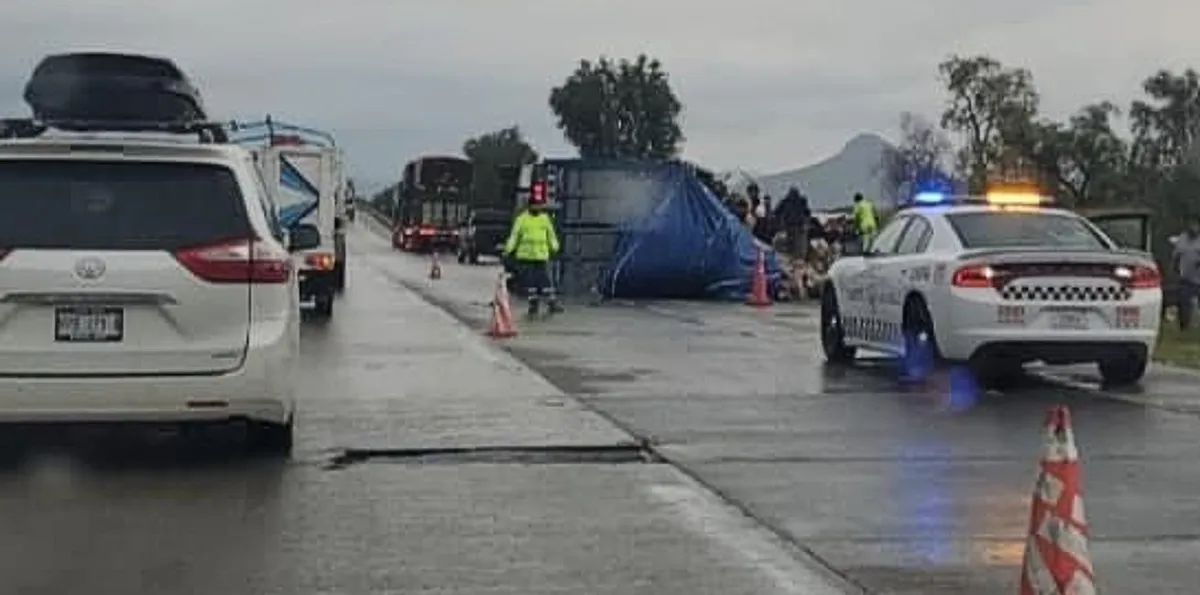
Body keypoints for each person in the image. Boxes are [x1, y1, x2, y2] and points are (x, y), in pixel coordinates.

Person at [503, 193, 562, 316]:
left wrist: (555, 247)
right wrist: (508, 250)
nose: (537, 207)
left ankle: (551, 302)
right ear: (529, 206)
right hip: (526, 256)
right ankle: (533, 303)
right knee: (531, 283)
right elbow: (514, 236)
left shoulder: (544, 219)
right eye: (535, 205)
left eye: (539, 205)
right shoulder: (522, 219)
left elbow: (550, 234)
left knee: (544, 281)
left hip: (540, 256)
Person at [1172, 218, 1200, 329]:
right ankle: (1184, 326)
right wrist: (1175, 269)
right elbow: (1176, 255)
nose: (1193, 227)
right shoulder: (1182, 238)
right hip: (1186, 278)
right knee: (1183, 302)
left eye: (1195, 225)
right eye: (1191, 224)